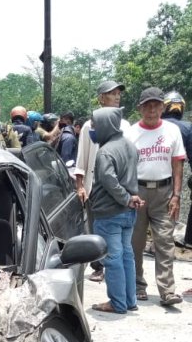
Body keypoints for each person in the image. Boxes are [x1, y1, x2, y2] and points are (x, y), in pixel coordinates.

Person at [126, 87, 185, 306]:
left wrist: (176, 196)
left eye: (156, 105)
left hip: (164, 193)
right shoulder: (131, 133)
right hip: (138, 192)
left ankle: (167, 291)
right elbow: (126, 166)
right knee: (135, 243)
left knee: (165, 241)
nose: (152, 110)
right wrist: (129, 194)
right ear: (140, 108)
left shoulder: (171, 131)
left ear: (163, 107)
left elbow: (177, 164)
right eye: (147, 106)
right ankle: (138, 286)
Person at [89, 107, 144, 314]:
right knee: (126, 256)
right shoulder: (130, 146)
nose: (92, 129)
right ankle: (130, 301)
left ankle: (117, 303)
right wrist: (130, 199)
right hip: (128, 214)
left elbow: (109, 180)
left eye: (94, 125)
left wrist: (126, 199)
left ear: (105, 125)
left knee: (112, 259)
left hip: (109, 213)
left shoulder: (105, 152)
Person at [74, 79, 130, 283]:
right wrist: (80, 186)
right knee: (96, 228)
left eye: (118, 93)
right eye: (111, 93)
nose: (116, 96)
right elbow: (82, 157)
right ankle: (98, 266)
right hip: (95, 187)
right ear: (101, 98)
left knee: (115, 229)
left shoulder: (125, 125)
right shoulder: (90, 125)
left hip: (117, 186)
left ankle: (116, 268)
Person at [161, 91, 192, 249]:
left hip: (151, 178)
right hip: (174, 178)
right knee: (170, 211)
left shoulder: (154, 124)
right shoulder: (188, 128)